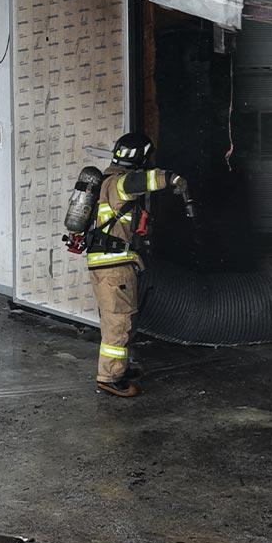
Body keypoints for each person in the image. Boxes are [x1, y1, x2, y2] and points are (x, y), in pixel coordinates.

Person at [83, 133, 189, 398]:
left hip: (108, 264)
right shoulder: (120, 182)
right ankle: (109, 378)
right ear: (139, 156)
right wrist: (173, 178)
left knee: (121, 318)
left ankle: (119, 367)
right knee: (118, 322)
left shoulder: (106, 180)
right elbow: (145, 180)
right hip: (114, 265)